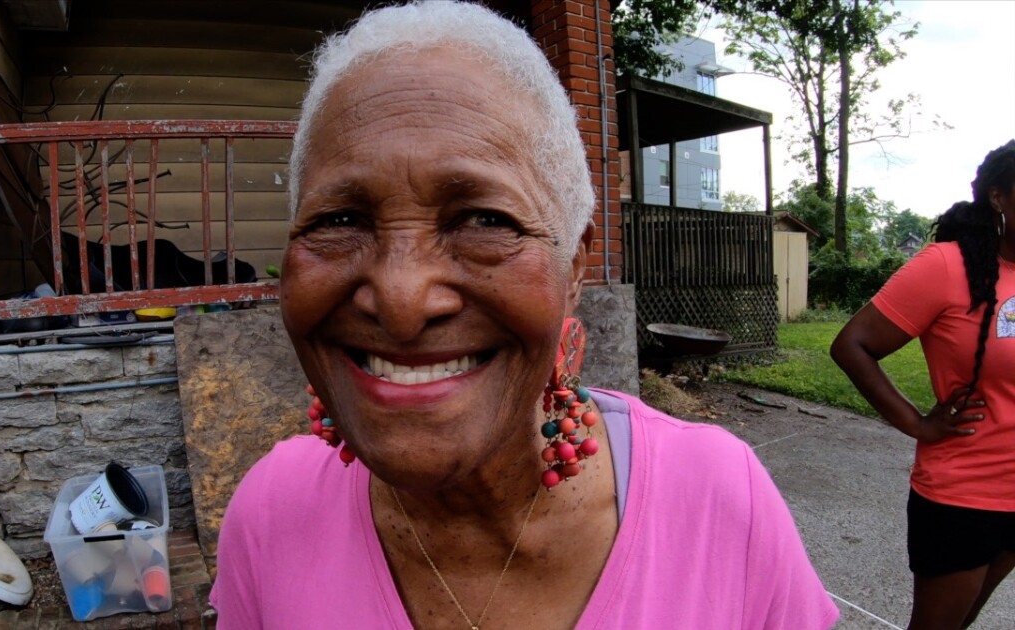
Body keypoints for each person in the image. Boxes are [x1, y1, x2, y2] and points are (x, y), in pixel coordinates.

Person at [211, 2, 838, 628]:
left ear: (574, 269)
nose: (402, 303)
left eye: (486, 221)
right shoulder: (271, 512)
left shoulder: (720, 505)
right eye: (339, 221)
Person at [831, 140, 1015, 629]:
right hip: (964, 494)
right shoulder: (946, 266)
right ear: (999, 198)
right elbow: (853, 345)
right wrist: (916, 423)